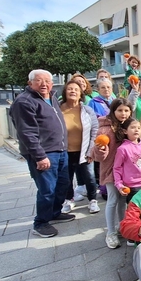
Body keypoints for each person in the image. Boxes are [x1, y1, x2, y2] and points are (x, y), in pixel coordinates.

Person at [9, 69, 74, 238]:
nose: (44, 84)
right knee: (47, 189)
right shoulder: (24, 102)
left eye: (47, 81)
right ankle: (41, 223)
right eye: (39, 81)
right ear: (30, 83)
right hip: (45, 153)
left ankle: (54, 212)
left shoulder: (51, 98)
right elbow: (26, 132)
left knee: (62, 185)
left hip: (60, 150)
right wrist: (40, 156)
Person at [92, 98, 134, 249]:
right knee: (112, 199)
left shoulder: (128, 127)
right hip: (111, 170)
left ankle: (122, 227)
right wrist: (100, 149)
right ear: (113, 111)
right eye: (120, 110)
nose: (123, 113)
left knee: (123, 200)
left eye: (126, 110)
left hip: (126, 170)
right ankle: (110, 232)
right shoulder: (105, 129)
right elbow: (98, 155)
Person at [59, 80, 100, 215]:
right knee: (67, 178)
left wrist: (91, 150)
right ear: (65, 91)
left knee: (89, 176)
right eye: (70, 89)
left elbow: (95, 130)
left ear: (80, 93)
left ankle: (93, 200)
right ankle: (69, 199)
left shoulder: (87, 110)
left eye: (76, 89)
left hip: (84, 150)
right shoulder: (58, 109)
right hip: (65, 151)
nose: (73, 91)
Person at [114, 118, 141, 204]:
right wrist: (119, 185)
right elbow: (117, 168)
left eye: (138, 128)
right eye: (133, 127)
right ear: (125, 131)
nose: (136, 130)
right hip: (132, 186)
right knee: (135, 211)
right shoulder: (122, 149)